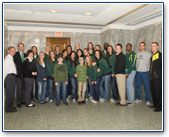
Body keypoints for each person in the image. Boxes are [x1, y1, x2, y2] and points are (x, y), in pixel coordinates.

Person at [149, 42, 162, 112]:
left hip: (158, 78)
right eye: (151, 46)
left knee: (158, 93)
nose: (152, 47)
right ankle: (155, 104)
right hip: (152, 78)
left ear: (157, 47)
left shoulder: (160, 55)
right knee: (153, 92)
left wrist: (159, 76)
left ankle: (160, 107)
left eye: (154, 46)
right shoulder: (152, 56)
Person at [4, 46, 17, 112]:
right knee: (9, 93)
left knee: (11, 92)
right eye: (12, 50)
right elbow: (5, 70)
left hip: (12, 77)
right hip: (9, 78)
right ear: (8, 51)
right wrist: (3, 79)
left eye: (14, 51)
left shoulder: (11, 58)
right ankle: (8, 108)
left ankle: (10, 106)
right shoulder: (8, 59)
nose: (13, 52)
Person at [13, 43, 27, 108]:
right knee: (19, 88)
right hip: (18, 74)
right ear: (18, 47)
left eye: (22, 46)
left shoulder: (25, 55)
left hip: (25, 74)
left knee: (23, 88)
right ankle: (18, 102)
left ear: (24, 47)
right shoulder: (15, 55)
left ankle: (21, 100)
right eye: (20, 46)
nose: (21, 47)